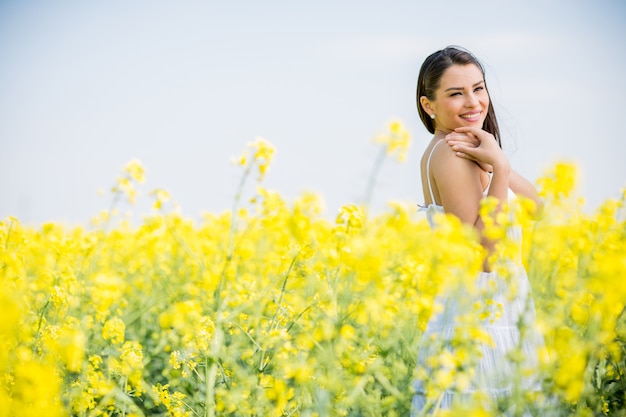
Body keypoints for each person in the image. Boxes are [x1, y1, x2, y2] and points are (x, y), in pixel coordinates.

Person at [411, 46, 544, 415]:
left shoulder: (469, 148)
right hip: (481, 322)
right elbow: (484, 256)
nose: (473, 102)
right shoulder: (450, 153)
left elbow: (536, 207)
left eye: (478, 88)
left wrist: (497, 161)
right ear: (429, 105)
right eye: (456, 93)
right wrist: (499, 171)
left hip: (497, 312)